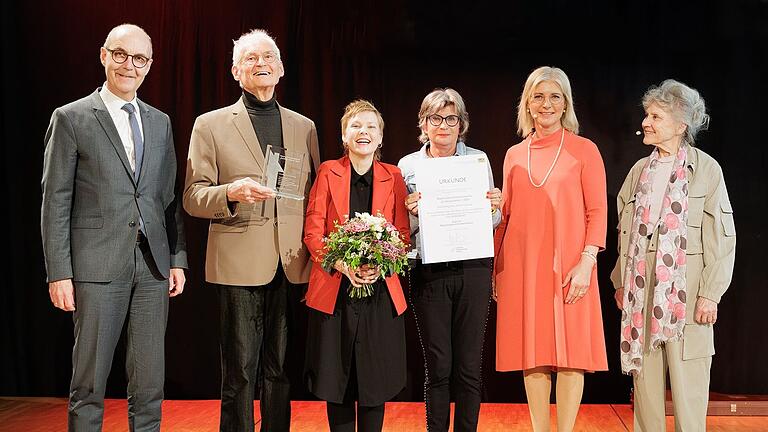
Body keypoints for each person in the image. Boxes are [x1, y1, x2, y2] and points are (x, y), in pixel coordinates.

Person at [41, 23, 187, 431]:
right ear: (104, 55)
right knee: (88, 383)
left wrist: (176, 258)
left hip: (152, 267)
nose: (129, 65)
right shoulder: (71, 118)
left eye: (139, 58)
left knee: (149, 383)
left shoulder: (160, 122)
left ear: (150, 65)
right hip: (96, 266)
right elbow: (55, 201)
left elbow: (167, 197)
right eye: (121, 54)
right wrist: (60, 271)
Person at [183, 29, 320, 432]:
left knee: (281, 371)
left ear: (280, 68)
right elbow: (193, 196)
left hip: (291, 263)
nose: (261, 63)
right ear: (235, 70)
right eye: (250, 58)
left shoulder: (304, 126)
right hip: (239, 264)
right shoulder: (210, 125)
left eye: (268, 57)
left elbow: (314, 196)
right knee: (240, 373)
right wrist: (232, 192)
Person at [611, 79, 736, 432]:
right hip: (642, 289)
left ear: (681, 125)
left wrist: (711, 292)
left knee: (688, 386)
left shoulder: (707, 170)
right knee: (646, 387)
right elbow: (625, 232)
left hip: (686, 286)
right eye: (647, 115)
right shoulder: (639, 172)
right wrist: (622, 282)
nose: (646, 123)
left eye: (655, 117)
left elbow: (722, 236)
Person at [493, 66, 608, 432]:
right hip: (523, 267)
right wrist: (497, 268)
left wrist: (587, 262)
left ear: (565, 104)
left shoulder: (584, 149)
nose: (546, 104)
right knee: (535, 353)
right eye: (538, 96)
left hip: (572, 266)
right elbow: (506, 215)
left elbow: (598, 211)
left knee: (572, 353)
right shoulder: (513, 154)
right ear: (527, 103)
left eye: (554, 96)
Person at [398, 88, 501, 432]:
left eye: (451, 118)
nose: (443, 126)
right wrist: (410, 214)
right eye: (435, 118)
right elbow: (400, 227)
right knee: (438, 366)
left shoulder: (478, 160)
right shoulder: (407, 166)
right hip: (428, 270)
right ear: (424, 125)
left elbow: (493, 220)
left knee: (469, 366)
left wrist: (493, 208)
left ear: (462, 124)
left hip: (472, 268)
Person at [303, 99, 410, 432]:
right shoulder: (328, 172)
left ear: (380, 138)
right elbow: (313, 229)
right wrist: (341, 264)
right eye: (356, 126)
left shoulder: (394, 176)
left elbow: (402, 233)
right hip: (335, 290)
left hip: (380, 293)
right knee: (337, 382)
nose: (363, 132)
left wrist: (380, 264)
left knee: (373, 383)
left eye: (371, 127)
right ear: (344, 134)